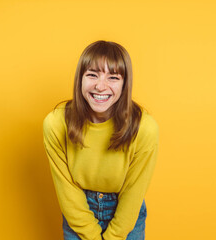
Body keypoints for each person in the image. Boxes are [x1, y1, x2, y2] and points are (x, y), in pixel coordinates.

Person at [42, 40, 159, 240]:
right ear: (80, 78)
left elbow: (133, 192)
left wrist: (114, 236)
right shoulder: (55, 123)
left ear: (125, 84)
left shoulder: (145, 128)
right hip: (78, 210)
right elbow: (68, 192)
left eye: (113, 77)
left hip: (125, 214)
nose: (100, 85)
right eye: (92, 74)